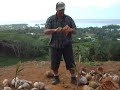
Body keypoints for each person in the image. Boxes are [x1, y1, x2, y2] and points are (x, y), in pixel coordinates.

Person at [44, 1, 77, 85]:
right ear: (56, 9)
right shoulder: (51, 19)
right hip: (55, 45)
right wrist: (55, 30)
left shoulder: (69, 19)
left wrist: (70, 30)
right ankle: (56, 77)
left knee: (70, 62)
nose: (61, 12)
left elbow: (75, 30)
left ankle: (73, 77)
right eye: (59, 10)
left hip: (67, 45)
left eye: (62, 10)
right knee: (54, 63)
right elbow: (45, 31)